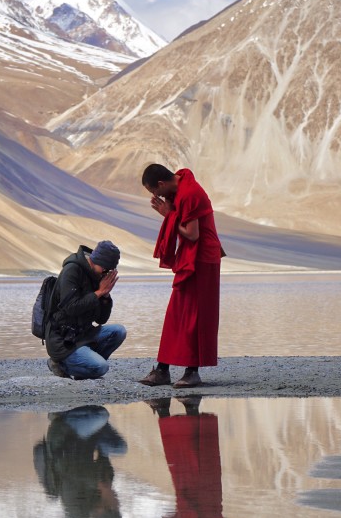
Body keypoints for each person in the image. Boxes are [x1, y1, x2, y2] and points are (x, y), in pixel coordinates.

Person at [138, 164, 224, 389]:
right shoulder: (180, 188)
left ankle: (192, 372)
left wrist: (168, 215)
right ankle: (163, 369)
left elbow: (192, 235)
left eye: (155, 192)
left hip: (203, 259)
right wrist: (171, 214)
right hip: (191, 259)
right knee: (177, 313)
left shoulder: (189, 194)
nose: (156, 197)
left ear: (161, 184)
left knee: (196, 315)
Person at [45, 240, 126, 380]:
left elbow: (101, 319)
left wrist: (105, 297)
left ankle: (86, 364)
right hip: (64, 340)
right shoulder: (72, 271)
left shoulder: (95, 275)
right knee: (102, 367)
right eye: (105, 269)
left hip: (84, 334)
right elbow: (70, 308)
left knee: (119, 331)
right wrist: (99, 292)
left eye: (109, 271)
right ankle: (60, 365)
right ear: (95, 261)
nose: (106, 273)